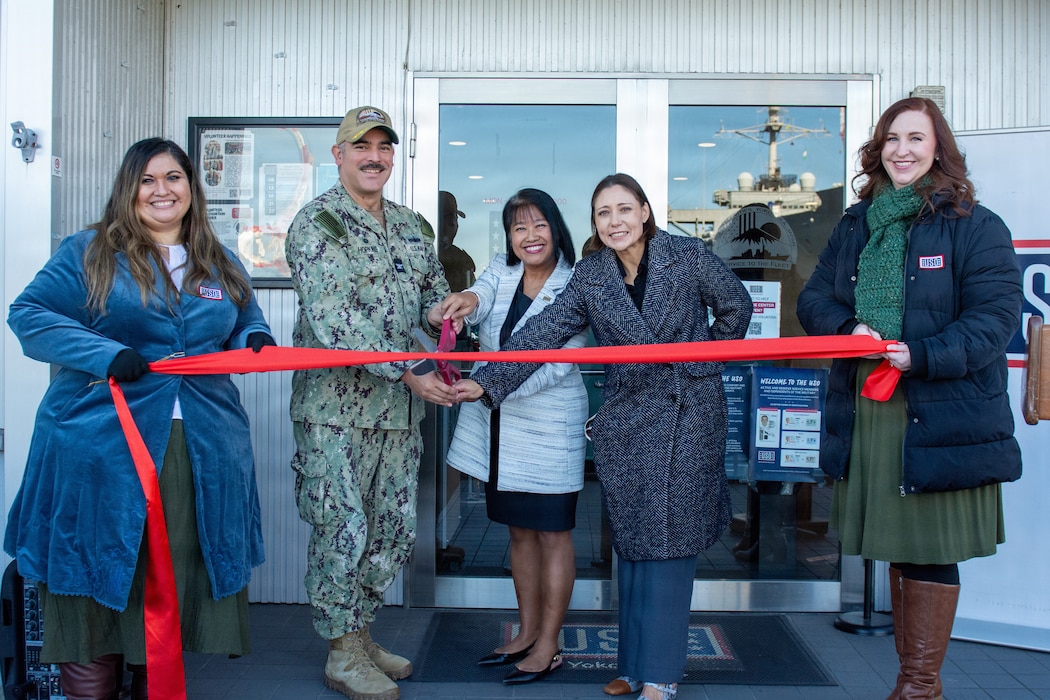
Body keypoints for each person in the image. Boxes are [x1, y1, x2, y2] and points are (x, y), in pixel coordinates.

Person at [450, 173, 753, 700]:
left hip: (686, 414)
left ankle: (661, 674)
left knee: (670, 544)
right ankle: (634, 666)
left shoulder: (686, 255)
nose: (614, 222)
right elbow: (544, 333)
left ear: (644, 212)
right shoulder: (592, 274)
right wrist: (488, 382)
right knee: (634, 545)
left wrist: (699, 365)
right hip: (629, 419)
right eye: (603, 213)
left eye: (624, 209)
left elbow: (736, 307)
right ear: (593, 222)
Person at [5, 137, 276, 699]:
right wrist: (104, 354)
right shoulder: (89, 252)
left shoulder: (218, 260)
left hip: (197, 450)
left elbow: (244, 319)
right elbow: (29, 315)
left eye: (173, 177)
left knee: (169, 580)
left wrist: (254, 338)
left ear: (190, 188)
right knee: (95, 577)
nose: (161, 190)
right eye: (147, 180)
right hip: (102, 451)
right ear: (128, 189)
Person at [797, 97, 1023, 699]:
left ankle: (919, 688)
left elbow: (995, 321)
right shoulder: (856, 223)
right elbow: (814, 300)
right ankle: (914, 685)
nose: (902, 150)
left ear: (939, 148)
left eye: (916, 138)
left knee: (928, 549)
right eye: (892, 139)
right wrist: (852, 330)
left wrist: (919, 354)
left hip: (938, 414)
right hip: (870, 407)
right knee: (900, 547)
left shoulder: (976, 225)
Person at [284, 105, 457, 700]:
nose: (374, 157)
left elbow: (430, 296)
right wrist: (408, 369)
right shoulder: (317, 224)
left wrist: (449, 311)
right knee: (342, 528)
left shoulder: (411, 226)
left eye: (384, 147)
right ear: (339, 155)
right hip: (334, 412)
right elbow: (334, 320)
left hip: (397, 415)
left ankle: (359, 634)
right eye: (362, 146)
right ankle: (341, 651)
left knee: (392, 529)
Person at [438, 188, 589, 685]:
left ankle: (550, 643)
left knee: (552, 534)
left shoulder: (576, 282)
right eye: (519, 227)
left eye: (539, 224)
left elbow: (559, 363)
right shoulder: (502, 272)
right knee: (518, 532)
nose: (530, 236)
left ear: (556, 228)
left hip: (548, 428)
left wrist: (489, 386)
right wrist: (465, 301)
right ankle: (526, 632)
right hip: (499, 425)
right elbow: (480, 297)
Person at [437, 190, 477, 293]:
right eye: (448, 219)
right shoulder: (422, 255)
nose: (454, 224)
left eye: (455, 218)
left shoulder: (460, 259)